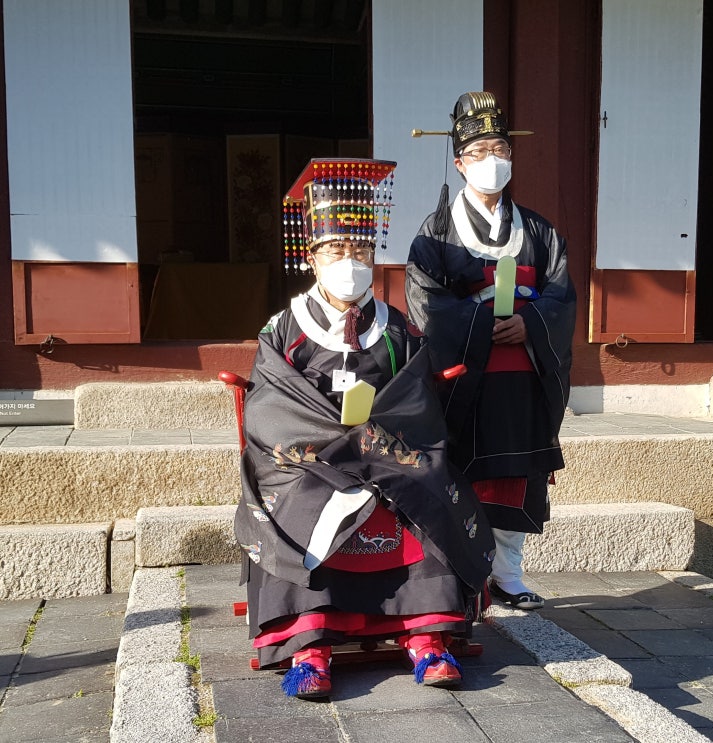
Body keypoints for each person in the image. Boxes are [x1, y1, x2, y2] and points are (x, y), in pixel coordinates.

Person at [234, 158, 495, 700]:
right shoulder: (283, 329)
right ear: (312, 258)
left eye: (359, 252)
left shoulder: (396, 326)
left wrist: (377, 430)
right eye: (335, 252)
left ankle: (428, 638)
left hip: (385, 447)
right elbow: (270, 401)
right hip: (307, 453)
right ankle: (310, 647)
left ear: (374, 257)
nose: (348, 262)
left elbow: (415, 391)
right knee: (299, 497)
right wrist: (332, 436)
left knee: (426, 483)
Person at [405, 92, 576, 611]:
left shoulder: (540, 231)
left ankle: (508, 575)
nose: (492, 159)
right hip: (464, 376)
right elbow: (425, 303)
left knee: (515, 475)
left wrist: (529, 323)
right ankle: (460, 575)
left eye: (499, 147)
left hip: (523, 370)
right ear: (459, 163)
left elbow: (562, 294)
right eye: (478, 151)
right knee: (463, 473)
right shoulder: (434, 233)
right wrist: (481, 323)